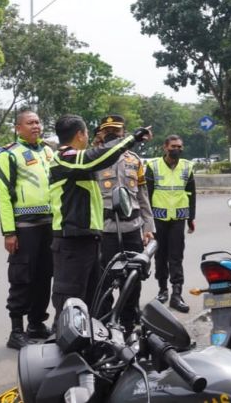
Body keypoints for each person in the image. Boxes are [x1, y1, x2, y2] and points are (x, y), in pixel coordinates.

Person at [49, 114, 151, 321]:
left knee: (92, 298)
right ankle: (65, 342)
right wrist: (133, 138)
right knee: (71, 302)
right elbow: (99, 157)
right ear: (80, 134)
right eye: (87, 132)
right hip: (72, 240)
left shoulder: (83, 159)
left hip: (90, 238)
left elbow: (141, 195)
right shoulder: (66, 157)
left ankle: (98, 342)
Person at [0, 110, 54, 350]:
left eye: (38, 122)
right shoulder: (9, 155)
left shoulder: (49, 152)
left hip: (49, 225)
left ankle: (36, 324)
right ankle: (16, 331)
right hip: (24, 228)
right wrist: (9, 232)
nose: (36, 126)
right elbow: (3, 196)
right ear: (18, 128)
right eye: (30, 123)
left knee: (44, 277)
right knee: (21, 279)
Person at [93, 115, 155, 328]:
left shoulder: (134, 160)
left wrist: (149, 227)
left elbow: (143, 196)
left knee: (133, 277)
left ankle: (129, 322)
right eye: (108, 131)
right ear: (101, 133)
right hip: (106, 229)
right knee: (105, 280)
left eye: (116, 131)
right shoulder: (95, 159)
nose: (112, 135)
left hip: (132, 228)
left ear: (123, 133)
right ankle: (104, 323)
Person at [145, 135, 196, 313]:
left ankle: (176, 293)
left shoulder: (187, 166)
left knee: (176, 256)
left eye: (180, 146)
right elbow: (147, 195)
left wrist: (191, 219)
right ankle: (162, 290)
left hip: (178, 217)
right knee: (160, 256)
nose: (177, 149)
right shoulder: (153, 166)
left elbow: (191, 194)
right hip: (158, 217)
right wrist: (147, 223)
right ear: (165, 147)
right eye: (174, 146)